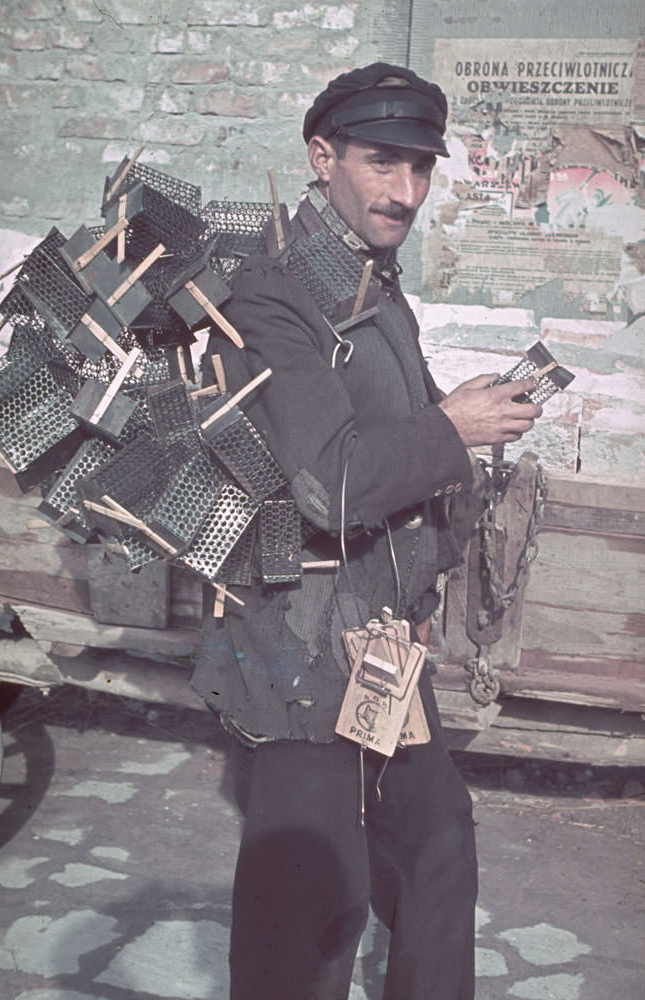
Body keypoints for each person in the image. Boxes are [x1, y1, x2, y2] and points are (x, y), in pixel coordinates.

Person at [192, 62, 542, 1000]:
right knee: (307, 909)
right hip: (296, 647)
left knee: (436, 854)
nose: (408, 191)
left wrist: (421, 593)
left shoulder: (371, 286)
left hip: (382, 641)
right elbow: (327, 482)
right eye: (385, 163)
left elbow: (404, 457)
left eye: (422, 168)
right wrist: (453, 428)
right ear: (323, 156)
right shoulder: (272, 297)